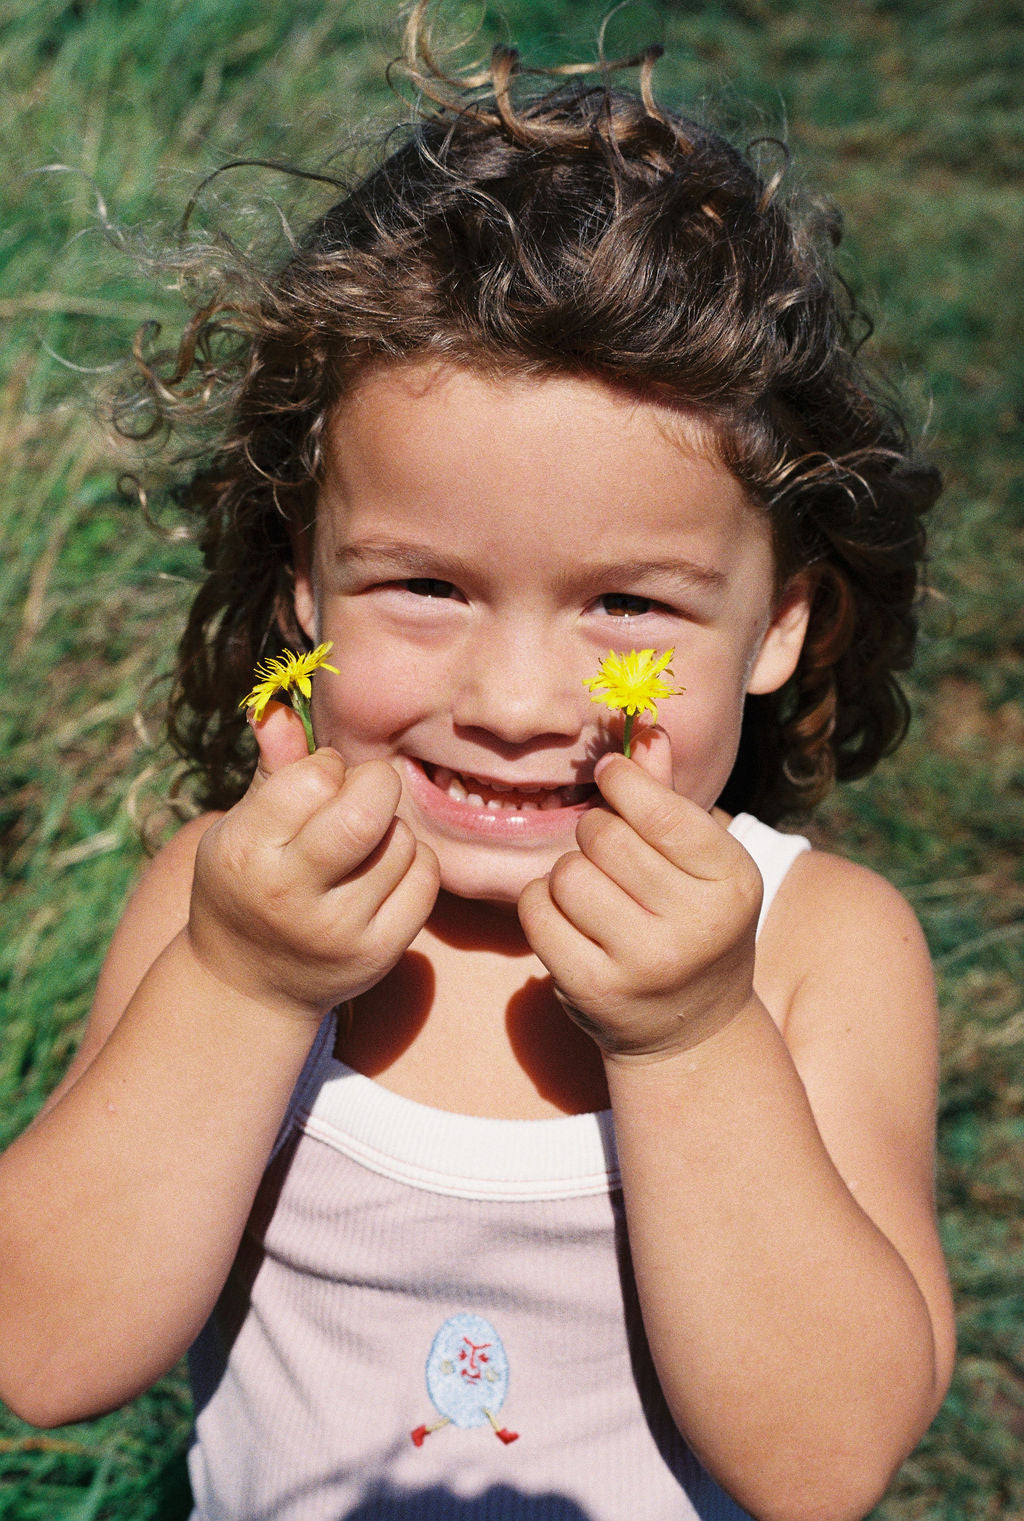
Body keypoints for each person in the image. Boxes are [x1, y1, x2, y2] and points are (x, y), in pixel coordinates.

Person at [0, 7, 955, 1519]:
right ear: (307, 587)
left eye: (627, 605)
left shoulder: (814, 950)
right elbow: (41, 1350)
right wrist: (241, 987)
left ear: (776, 624)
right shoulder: (226, 907)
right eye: (426, 586)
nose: (515, 702)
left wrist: (693, 1038)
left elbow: (827, 1459)